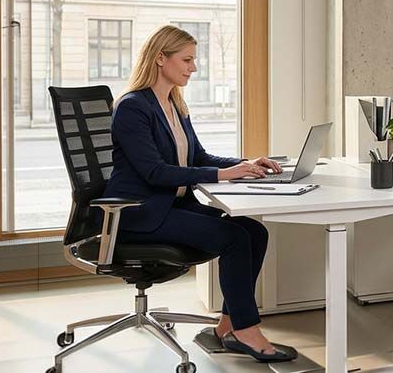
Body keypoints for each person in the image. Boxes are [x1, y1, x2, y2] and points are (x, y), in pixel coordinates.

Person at [103, 25, 297, 363]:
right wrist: (223, 175)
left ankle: (227, 327)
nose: (193, 68)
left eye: (194, 60)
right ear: (160, 58)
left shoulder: (173, 104)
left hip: (173, 206)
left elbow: (199, 157)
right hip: (140, 213)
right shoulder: (133, 107)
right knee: (234, 238)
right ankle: (247, 331)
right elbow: (155, 172)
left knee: (254, 231)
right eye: (187, 60)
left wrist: (245, 164)